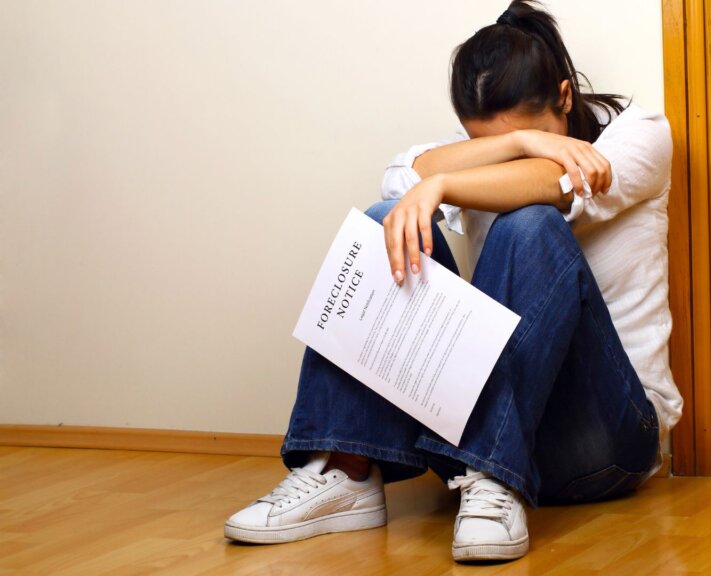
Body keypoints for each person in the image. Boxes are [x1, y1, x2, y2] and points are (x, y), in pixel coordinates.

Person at [224, 0, 682, 563]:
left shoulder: (639, 134)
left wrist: (442, 187)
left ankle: (497, 476)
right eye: (488, 142)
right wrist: (520, 142)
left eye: (534, 132)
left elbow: (556, 185)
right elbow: (398, 179)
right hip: (470, 444)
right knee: (381, 223)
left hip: (606, 436)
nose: (508, 152)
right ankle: (345, 471)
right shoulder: (482, 151)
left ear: (564, 97)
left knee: (529, 223)